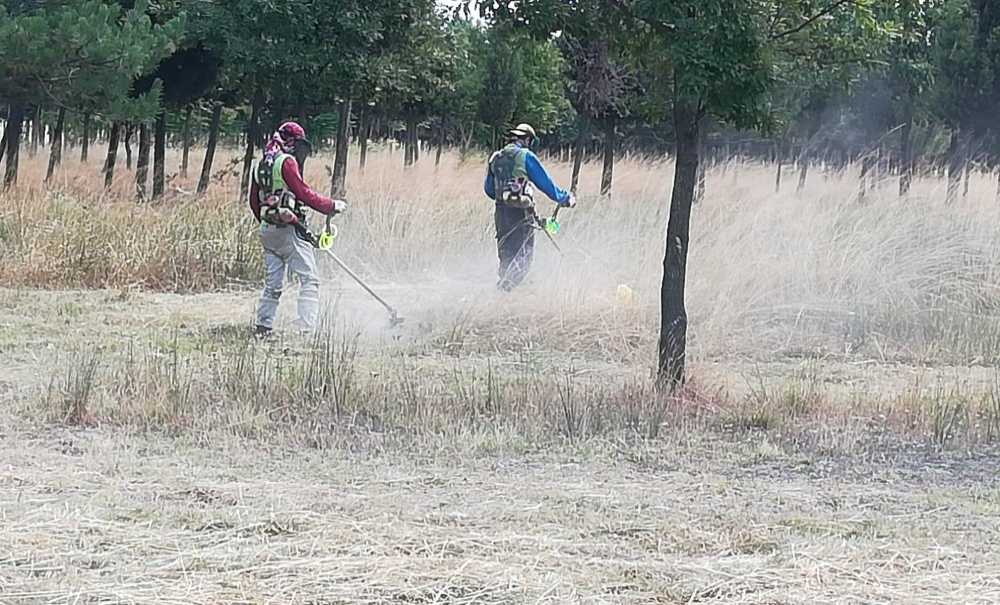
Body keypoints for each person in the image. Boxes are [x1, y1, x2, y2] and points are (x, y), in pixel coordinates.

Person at [249, 121, 346, 337]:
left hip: (267, 231)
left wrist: (268, 221)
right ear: (292, 142)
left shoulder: (262, 163)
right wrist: (331, 205)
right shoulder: (286, 162)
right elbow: (303, 193)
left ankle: (263, 326)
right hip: (288, 230)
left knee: (273, 282)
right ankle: (306, 327)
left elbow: (254, 202)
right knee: (309, 279)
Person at [484, 123, 576, 291]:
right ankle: (504, 291)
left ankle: (503, 298)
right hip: (520, 214)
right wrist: (565, 198)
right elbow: (546, 184)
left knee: (506, 258)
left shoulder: (495, 157)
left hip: (500, 215)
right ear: (527, 139)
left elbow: (489, 190)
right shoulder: (525, 156)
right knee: (523, 259)